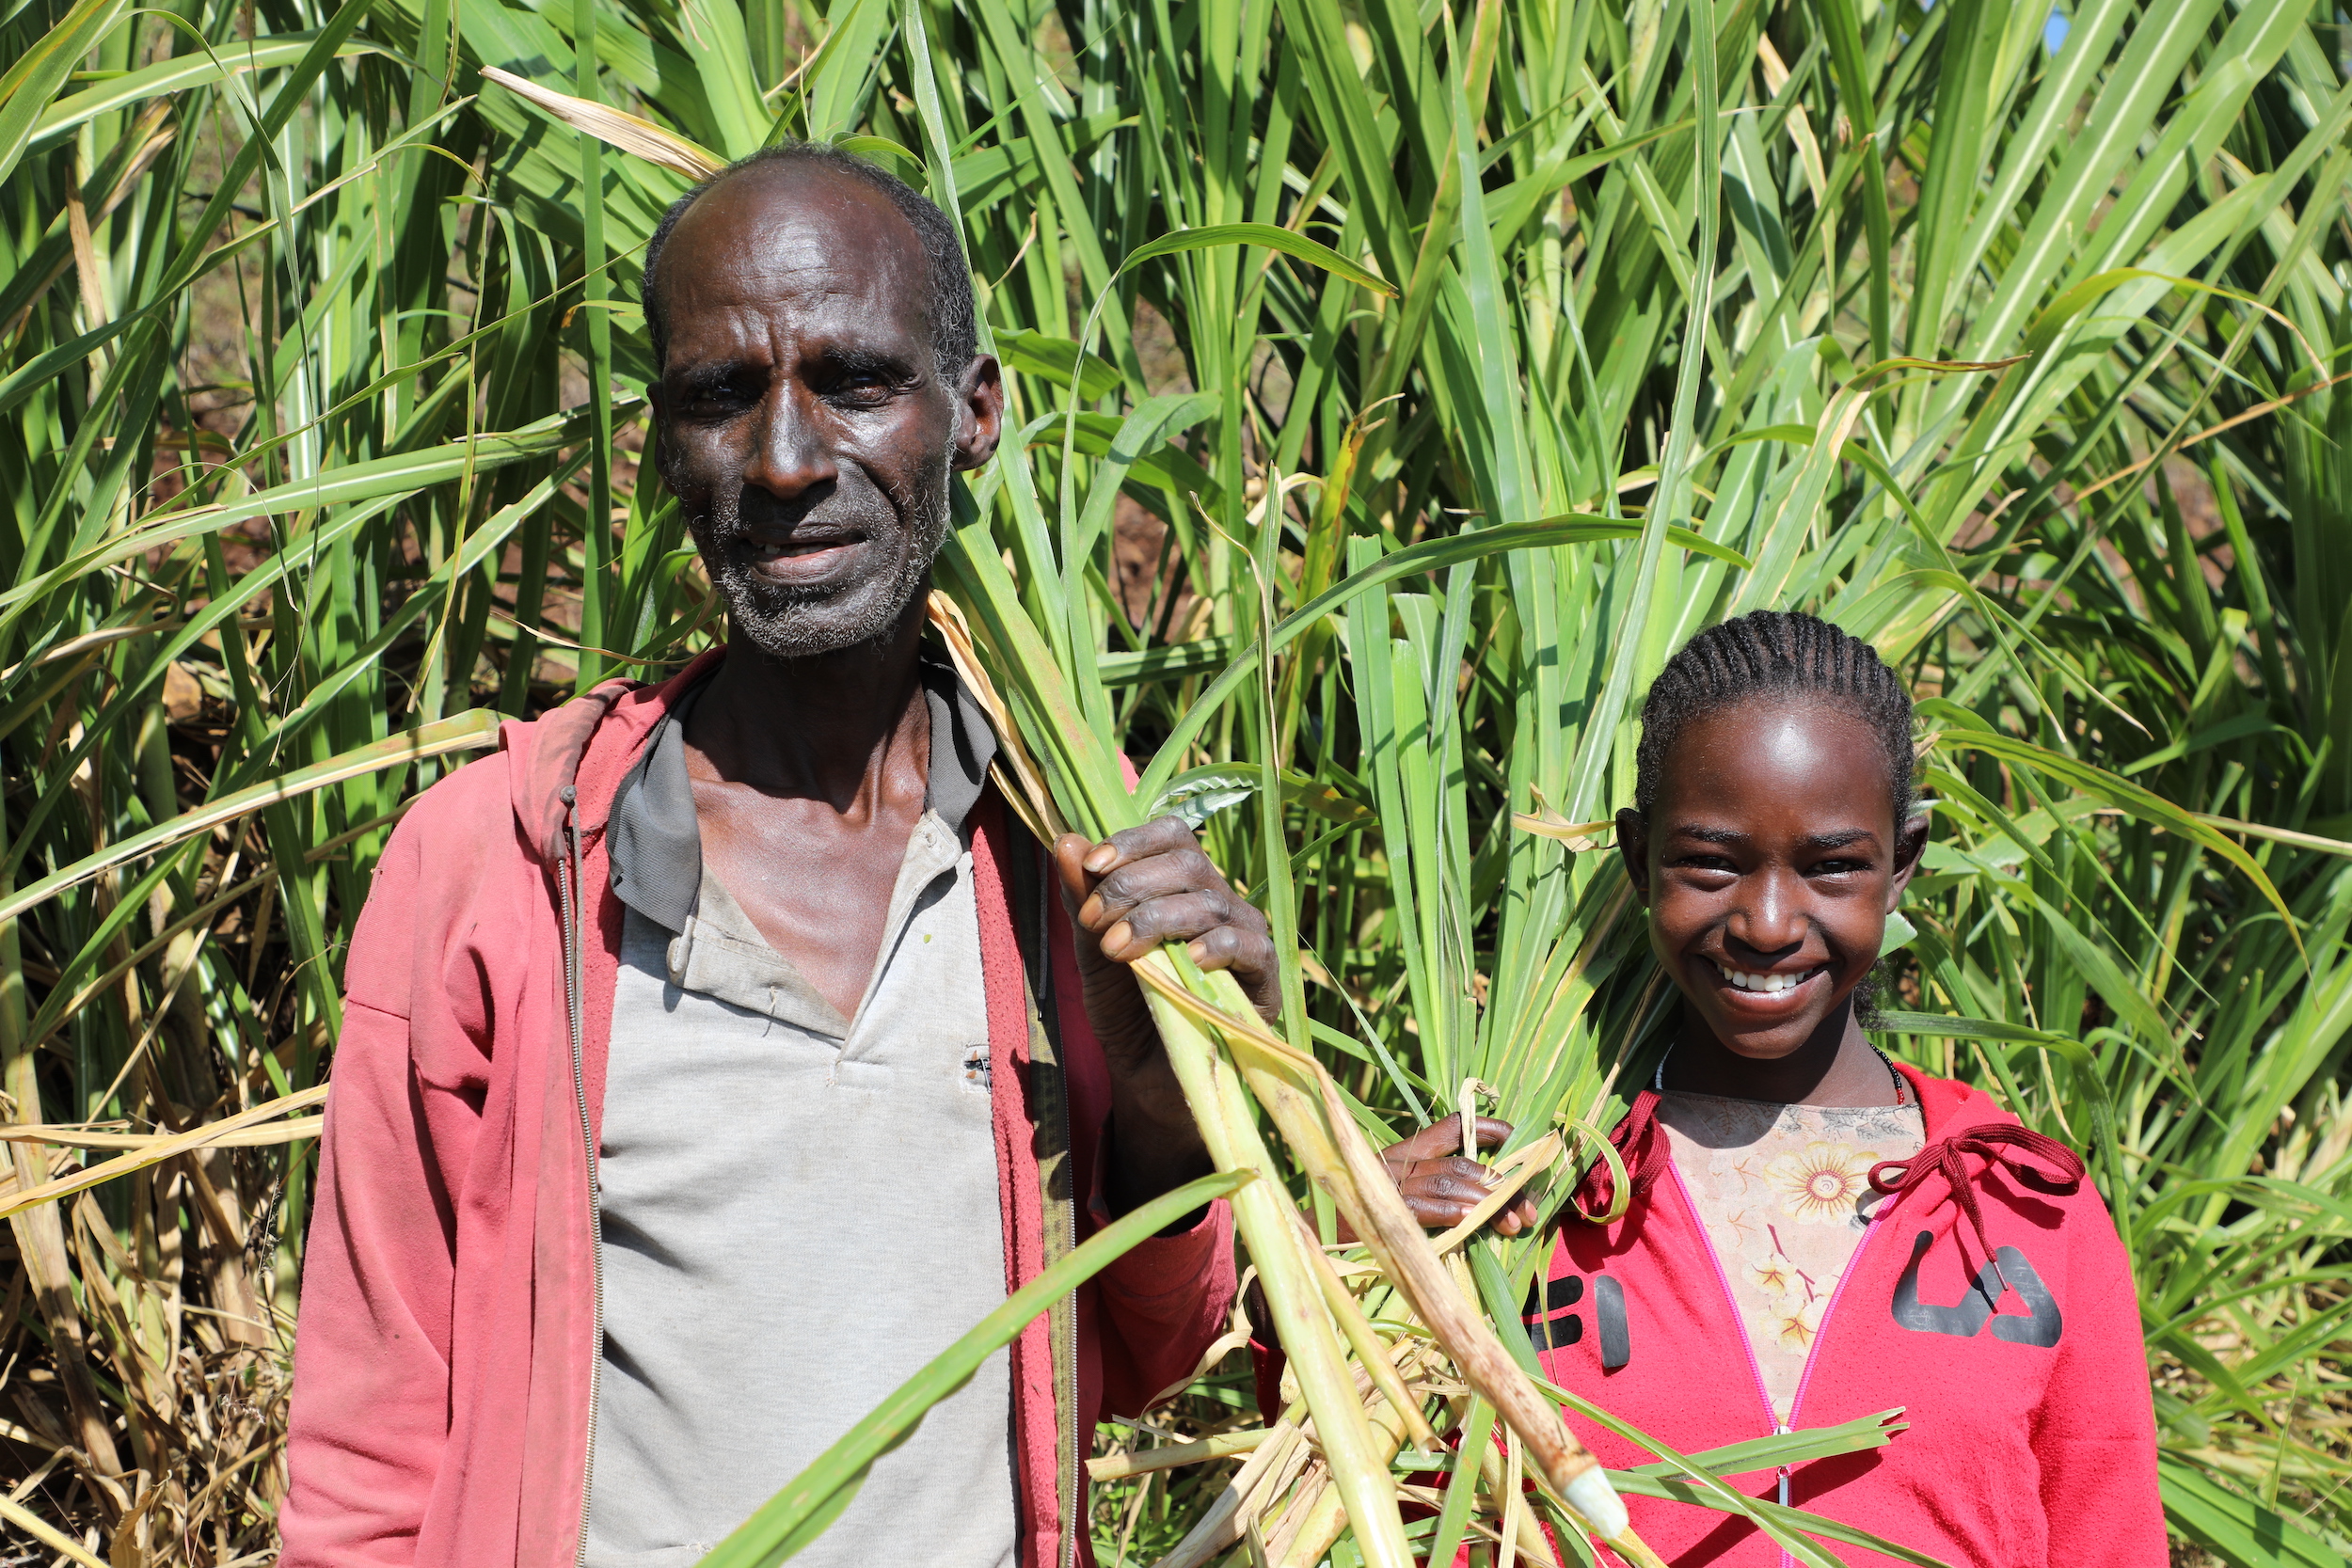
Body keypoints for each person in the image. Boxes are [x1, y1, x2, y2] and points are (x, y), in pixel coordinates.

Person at [279, 142, 1285, 1568]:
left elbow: (1142, 1355)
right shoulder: (507, 868)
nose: (789, 460)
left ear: (975, 411)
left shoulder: (1058, 846)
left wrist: (1169, 1099)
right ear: (657, 444)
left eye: (858, 380)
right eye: (720, 396)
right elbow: (369, 1446)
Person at [1529, 610, 2164, 1566]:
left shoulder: (2025, 1210)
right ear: (1637, 856)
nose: (1769, 921)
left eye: (1830, 865)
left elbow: (2105, 1529)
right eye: (1711, 860)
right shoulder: (1545, 1197)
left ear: (1900, 863)